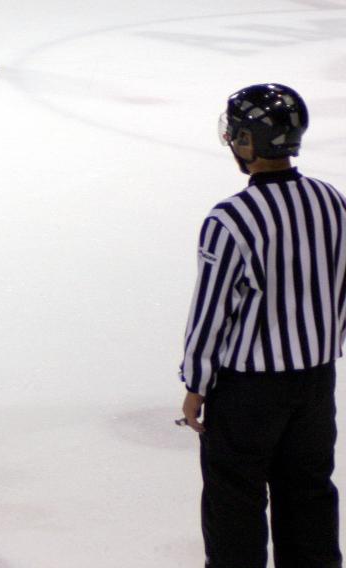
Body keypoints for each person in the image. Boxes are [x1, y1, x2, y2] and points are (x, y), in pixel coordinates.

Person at [178, 83, 345, 567]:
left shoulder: (232, 219)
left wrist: (196, 385)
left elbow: (210, 314)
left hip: (249, 392)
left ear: (249, 142)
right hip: (316, 383)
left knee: (235, 501)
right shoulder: (333, 201)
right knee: (310, 494)